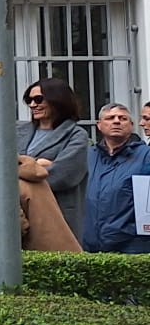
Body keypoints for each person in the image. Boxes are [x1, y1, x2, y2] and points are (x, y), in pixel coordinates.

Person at [19, 78, 89, 240]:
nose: (32, 105)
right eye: (29, 100)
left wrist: (24, 167)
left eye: (38, 99)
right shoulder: (18, 131)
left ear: (58, 100)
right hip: (20, 213)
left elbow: (63, 175)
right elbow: (4, 166)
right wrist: (38, 165)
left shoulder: (76, 135)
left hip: (57, 212)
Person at [82, 104, 150, 253]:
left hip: (132, 246)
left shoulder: (146, 155)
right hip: (89, 246)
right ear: (99, 125)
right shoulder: (87, 156)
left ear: (131, 126)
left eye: (123, 118)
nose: (117, 121)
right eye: (110, 118)